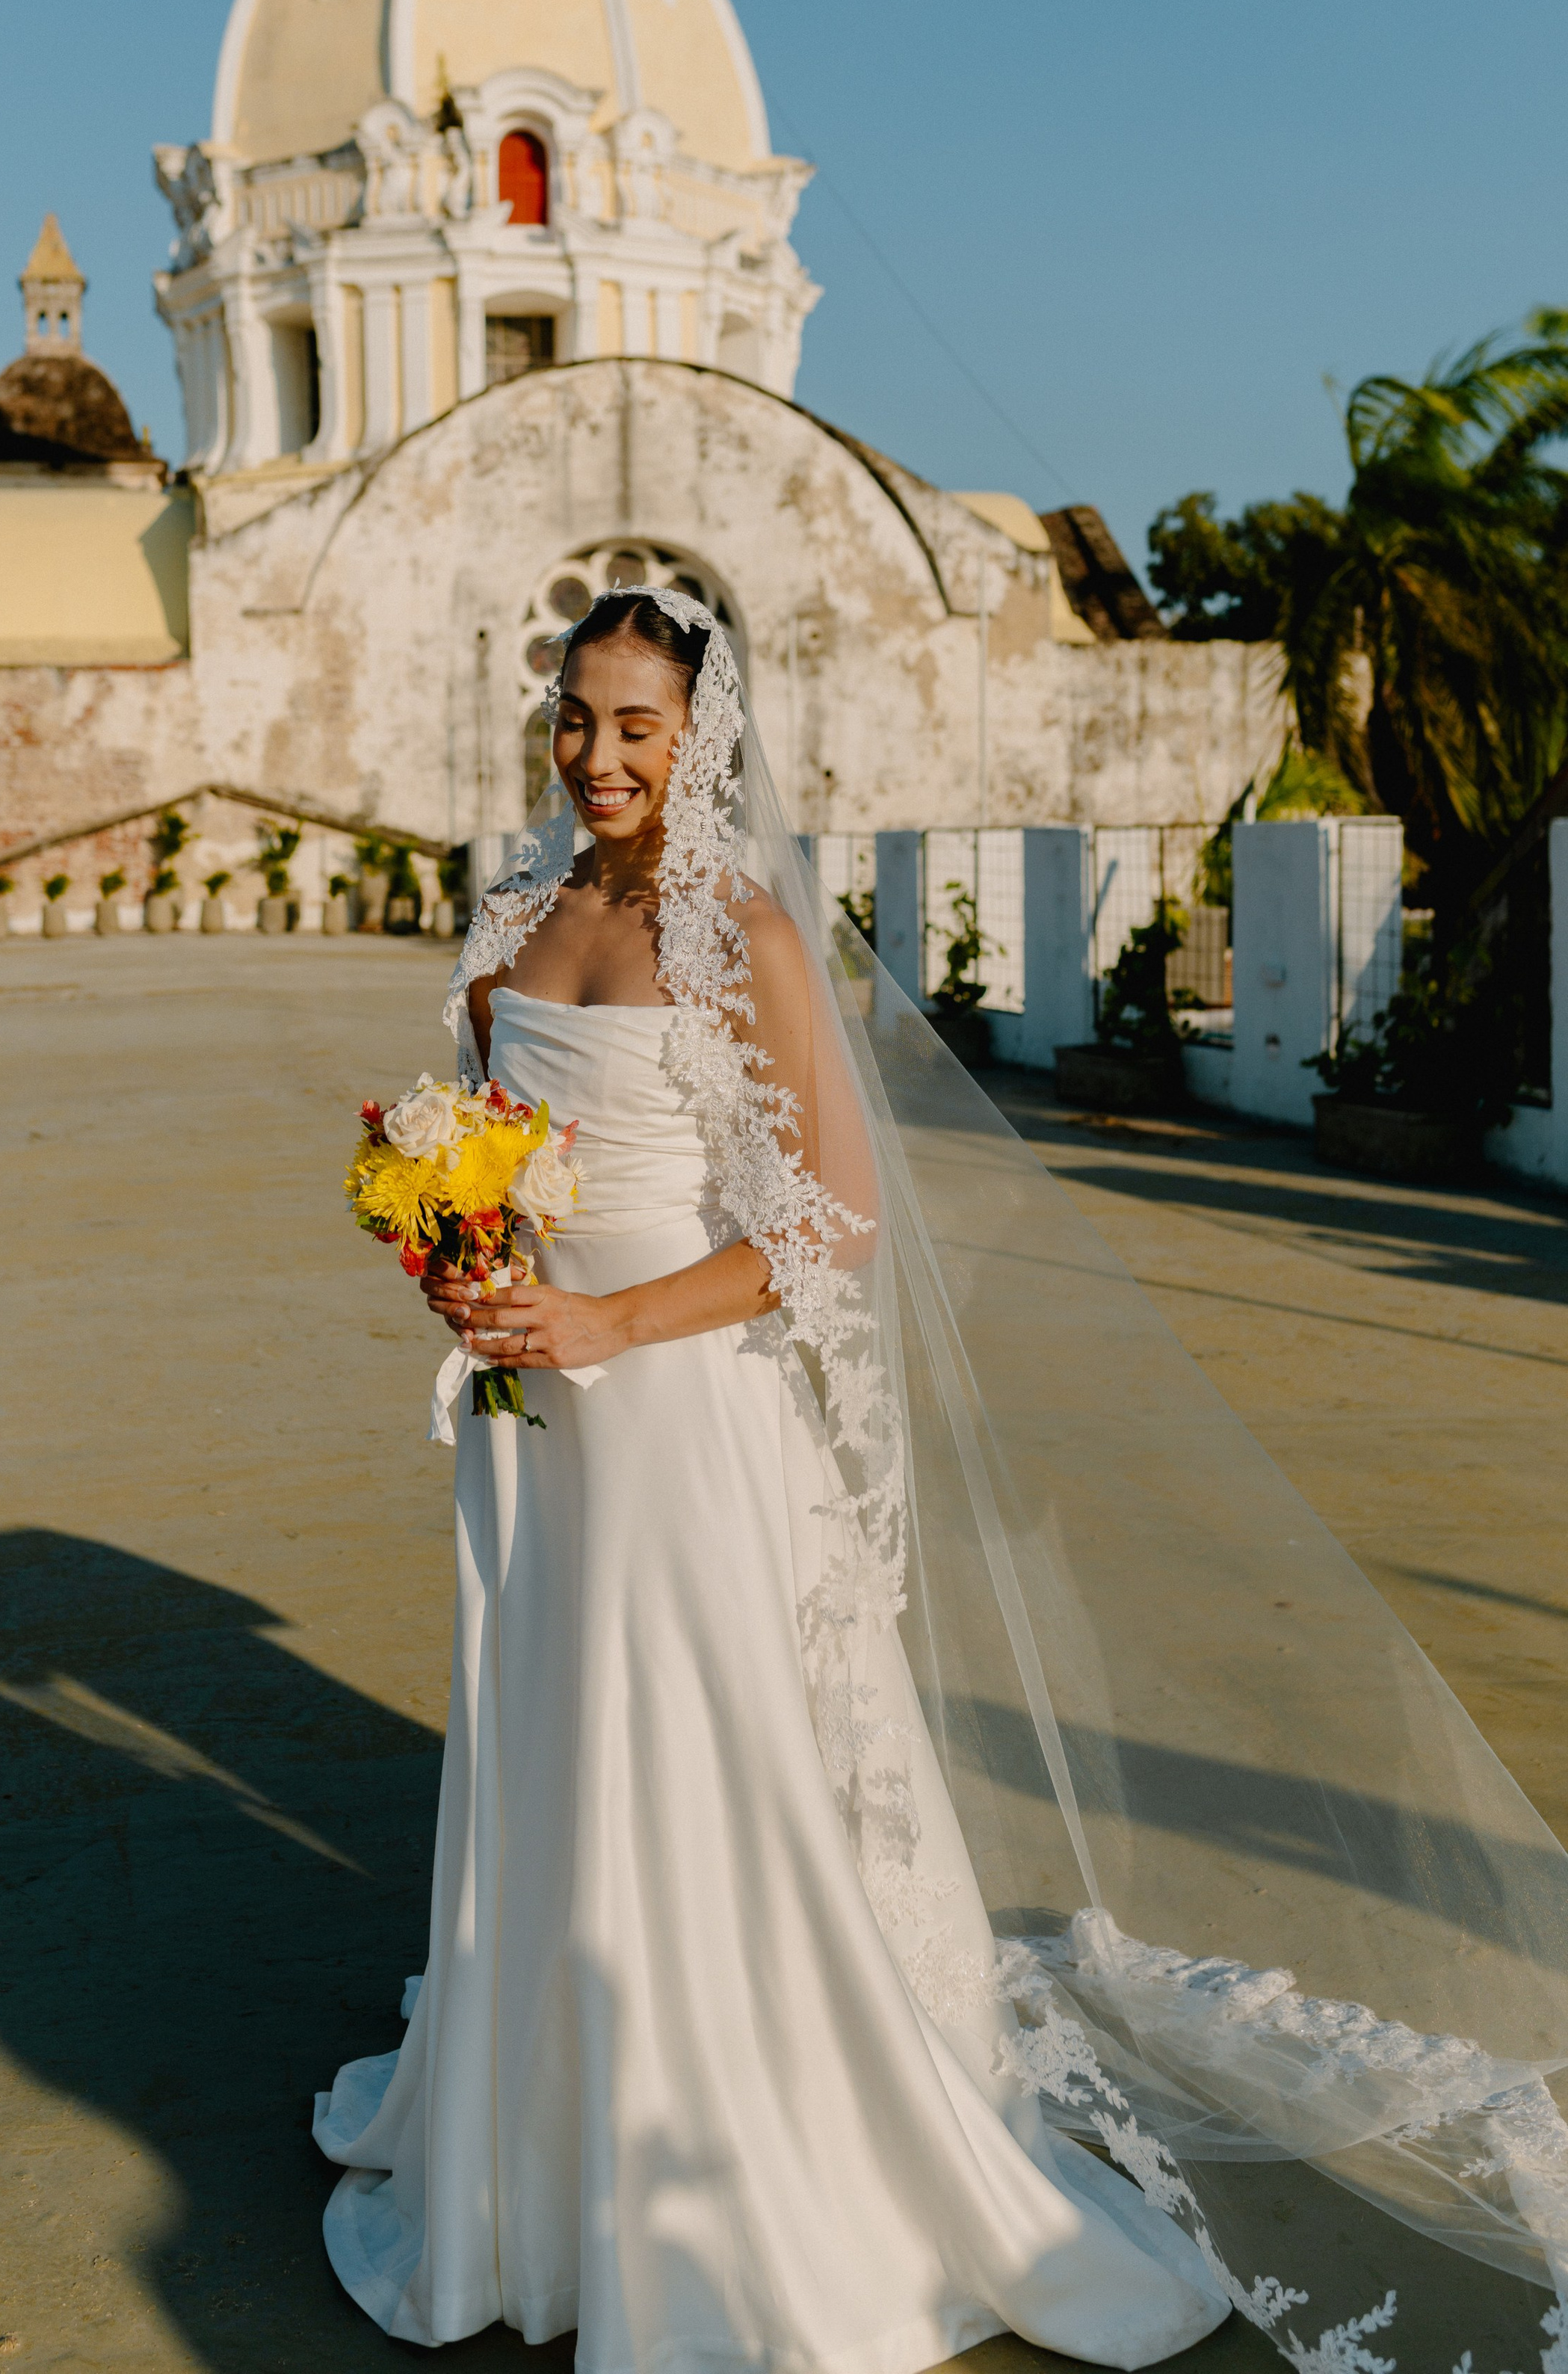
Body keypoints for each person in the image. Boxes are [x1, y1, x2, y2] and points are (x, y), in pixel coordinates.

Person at [315, 588, 1568, 2372]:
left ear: (701, 739)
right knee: (548, 1737)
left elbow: (829, 1225)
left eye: (637, 728)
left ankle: (731, 2152)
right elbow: (477, 1160)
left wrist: (609, 1326)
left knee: (695, 1750)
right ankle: (535, 2139)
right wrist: (457, 1264)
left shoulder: (736, 935)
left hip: (679, 1416)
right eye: (576, 721)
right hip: (535, 1433)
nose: (598, 757)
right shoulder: (505, 922)